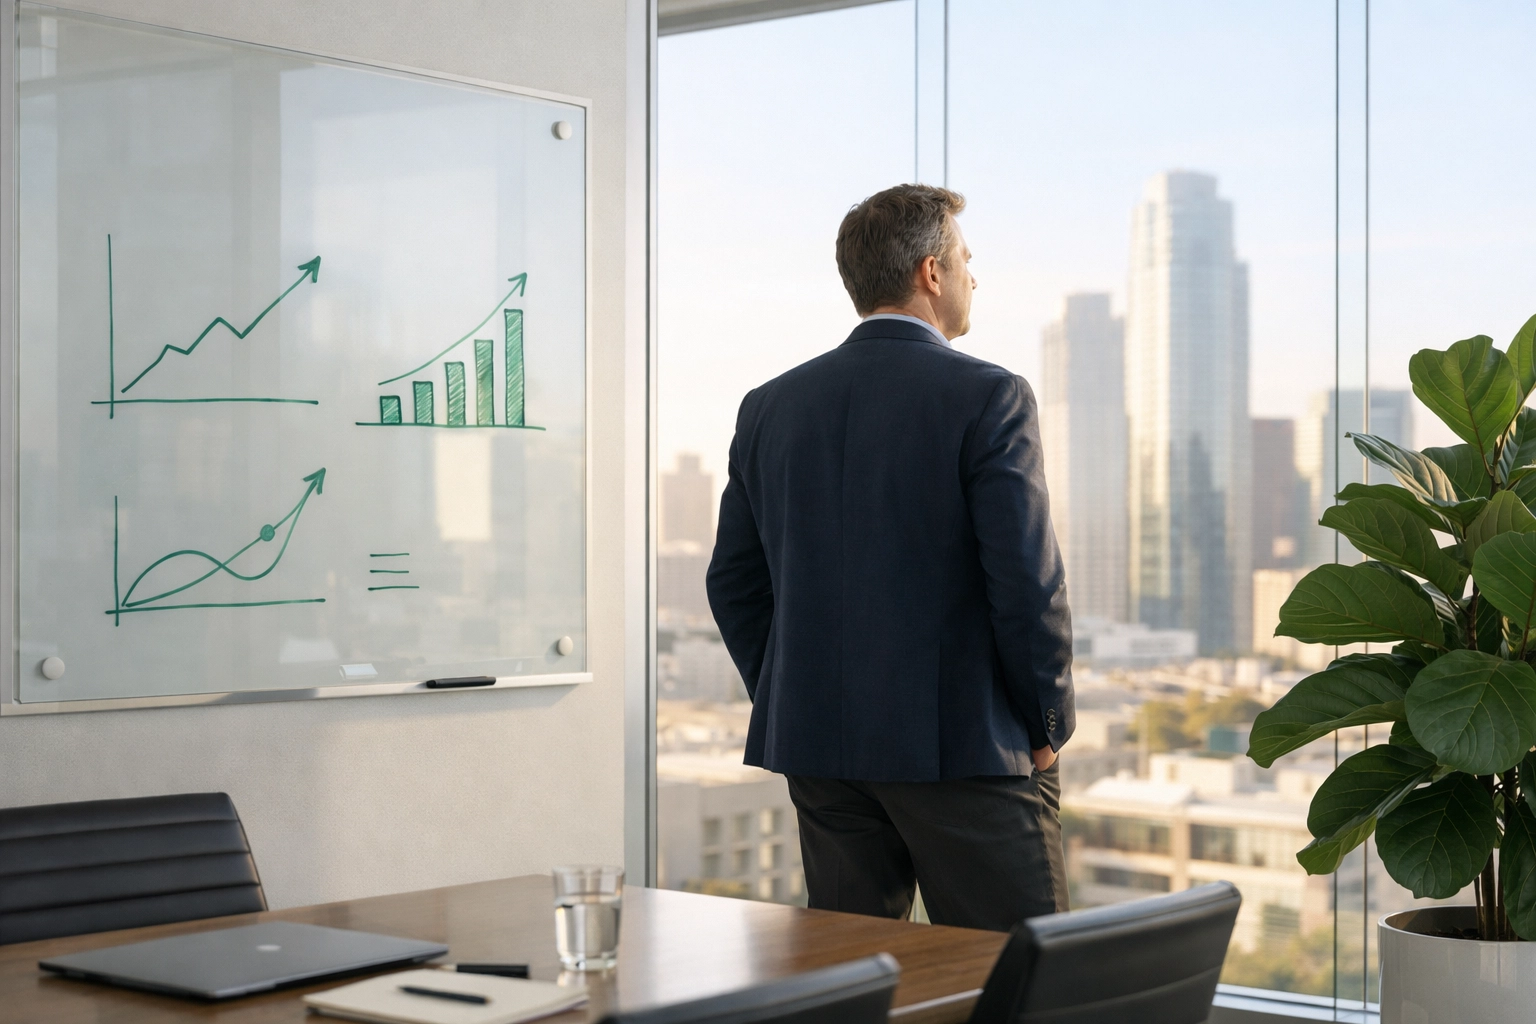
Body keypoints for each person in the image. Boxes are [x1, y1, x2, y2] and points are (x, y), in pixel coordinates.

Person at [705, 183, 1074, 932]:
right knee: (1028, 982)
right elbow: (1026, 584)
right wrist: (1047, 724)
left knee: (856, 984)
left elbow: (734, 583)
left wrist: (795, 697)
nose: (976, 276)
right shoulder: (990, 395)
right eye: (967, 259)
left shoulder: (769, 405)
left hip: (820, 751)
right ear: (932, 273)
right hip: (966, 749)